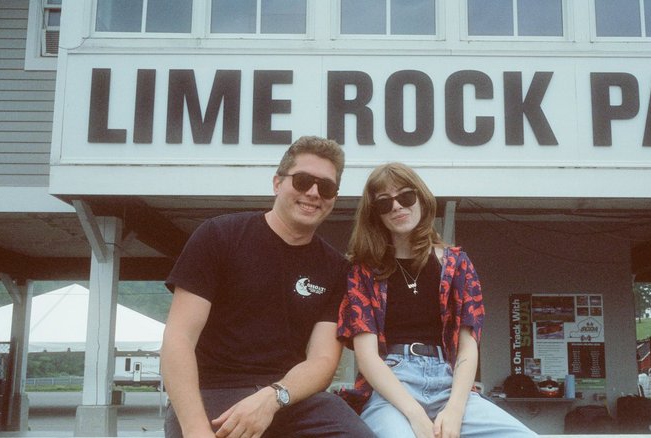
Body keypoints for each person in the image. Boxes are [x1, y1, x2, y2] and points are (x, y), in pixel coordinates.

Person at [162, 136, 374, 438]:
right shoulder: (219, 235)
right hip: (212, 393)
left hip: (289, 396)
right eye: (302, 181)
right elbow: (178, 338)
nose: (313, 193)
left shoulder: (336, 268)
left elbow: (323, 360)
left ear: (334, 198)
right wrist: (196, 430)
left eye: (326, 187)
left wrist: (273, 397)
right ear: (277, 183)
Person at [337, 162, 537, 438]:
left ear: (421, 198)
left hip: (448, 383)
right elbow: (367, 356)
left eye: (405, 196)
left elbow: (468, 347)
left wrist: (455, 410)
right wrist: (416, 415)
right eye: (384, 203)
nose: (396, 207)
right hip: (392, 387)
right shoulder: (364, 271)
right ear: (376, 215)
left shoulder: (456, 264)